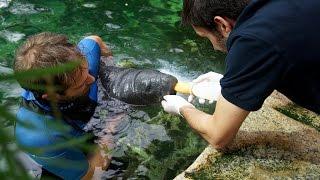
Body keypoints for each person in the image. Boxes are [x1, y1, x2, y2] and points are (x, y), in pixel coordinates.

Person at [161, 0, 320, 150]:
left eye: (207, 37)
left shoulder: (252, 40)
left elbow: (218, 136)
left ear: (222, 24)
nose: (214, 47)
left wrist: (182, 107)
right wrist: (236, 83)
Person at [14, 32, 112, 179]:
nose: (92, 80)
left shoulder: (77, 64)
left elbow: (94, 40)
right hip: (56, 154)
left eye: (88, 71)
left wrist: (112, 65)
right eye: (82, 83)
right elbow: (90, 176)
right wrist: (111, 130)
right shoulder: (41, 137)